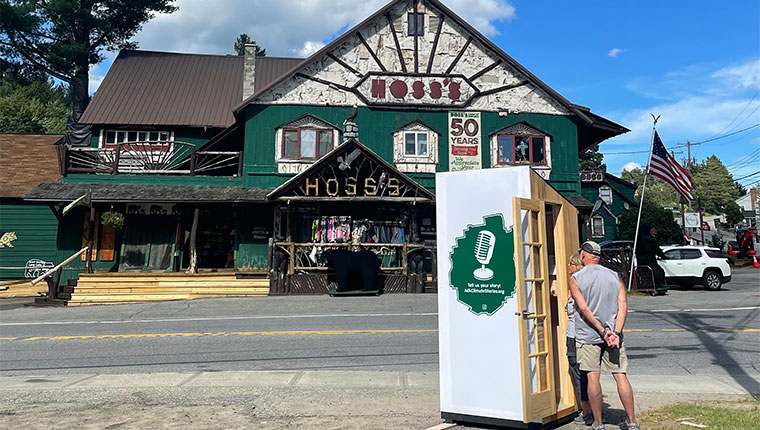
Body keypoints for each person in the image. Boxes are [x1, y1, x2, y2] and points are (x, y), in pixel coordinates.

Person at [570, 241, 639, 430]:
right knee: (620, 375)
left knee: (593, 377)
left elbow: (583, 308)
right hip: (614, 336)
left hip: (588, 335)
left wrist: (602, 331)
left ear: (584, 255)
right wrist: (614, 332)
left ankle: (598, 423)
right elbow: (623, 306)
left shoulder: (576, 277)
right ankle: (632, 421)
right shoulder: (615, 276)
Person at [567, 253, 592, 425]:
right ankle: (589, 410)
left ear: (576, 266)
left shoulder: (577, 285)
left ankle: (587, 412)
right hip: (577, 334)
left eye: (571, 263)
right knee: (584, 373)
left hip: (577, 335)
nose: (568, 266)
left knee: (579, 372)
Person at [635, 223, 666, 290]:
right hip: (649, 260)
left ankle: (649, 285)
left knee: (647, 273)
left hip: (642, 261)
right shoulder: (649, 240)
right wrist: (663, 256)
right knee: (657, 272)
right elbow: (656, 249)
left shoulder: (639, 239)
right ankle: (656, 285)